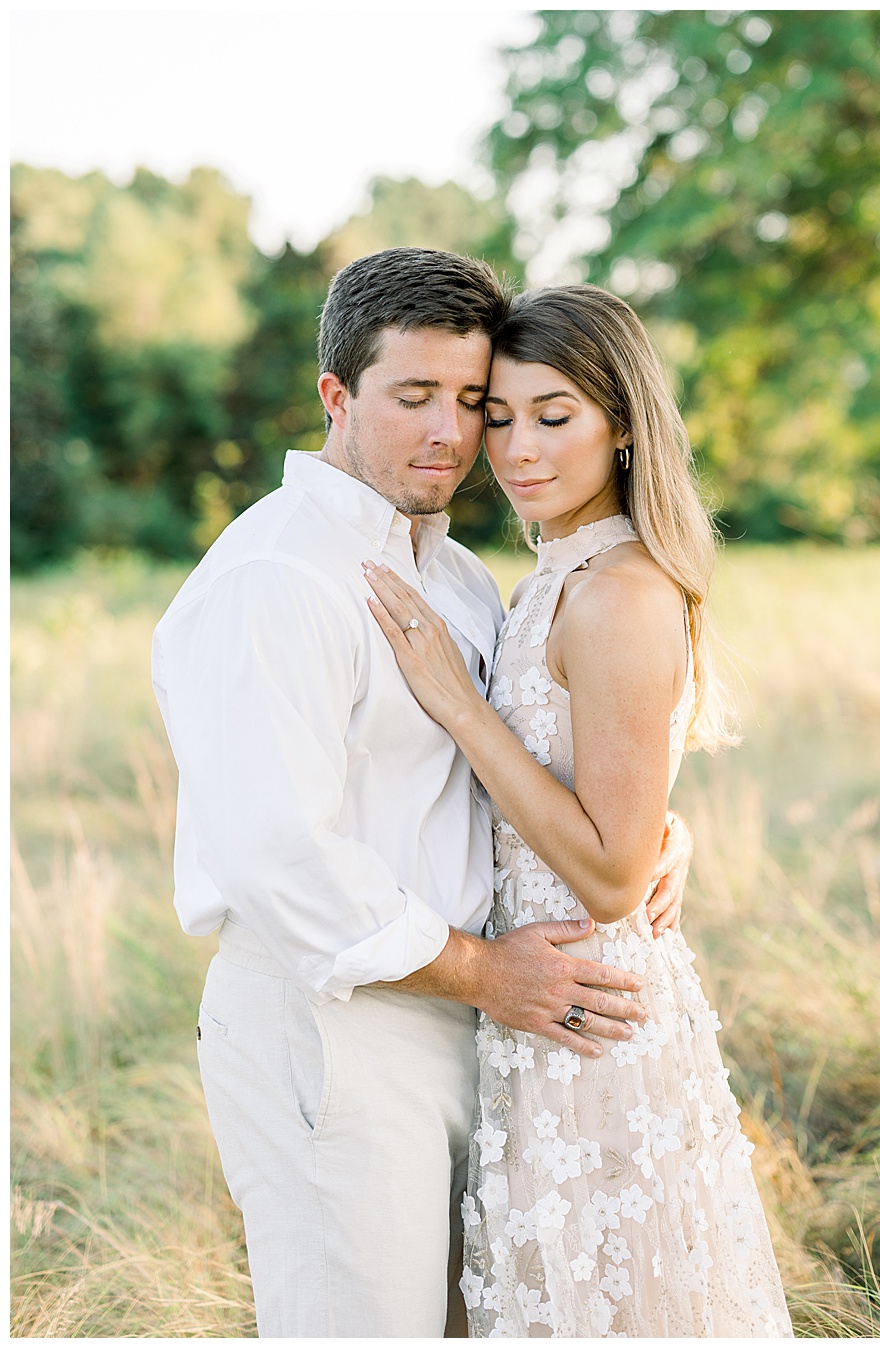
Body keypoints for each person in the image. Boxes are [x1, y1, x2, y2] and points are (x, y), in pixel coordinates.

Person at [151, 248, 690, 1337]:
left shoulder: (453, 574)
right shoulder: (277, 578)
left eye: (471, 400)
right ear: (336, 396)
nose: (452, 433)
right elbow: (277, 858)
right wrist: (489, 971)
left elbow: (511, 774)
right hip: (337, 1024)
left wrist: (655, 826)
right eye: (414, 397)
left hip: (480, 1025)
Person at [363, 284, 793, 1337]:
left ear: (624, 425)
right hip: (536, 1004)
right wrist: (665, 829)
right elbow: (601, 796)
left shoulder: (621, 592)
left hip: (597, 1018)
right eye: (499, 417)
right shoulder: (554, 578)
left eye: (553, 415)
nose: (515, 449)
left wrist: (462, 708)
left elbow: (607, 873)